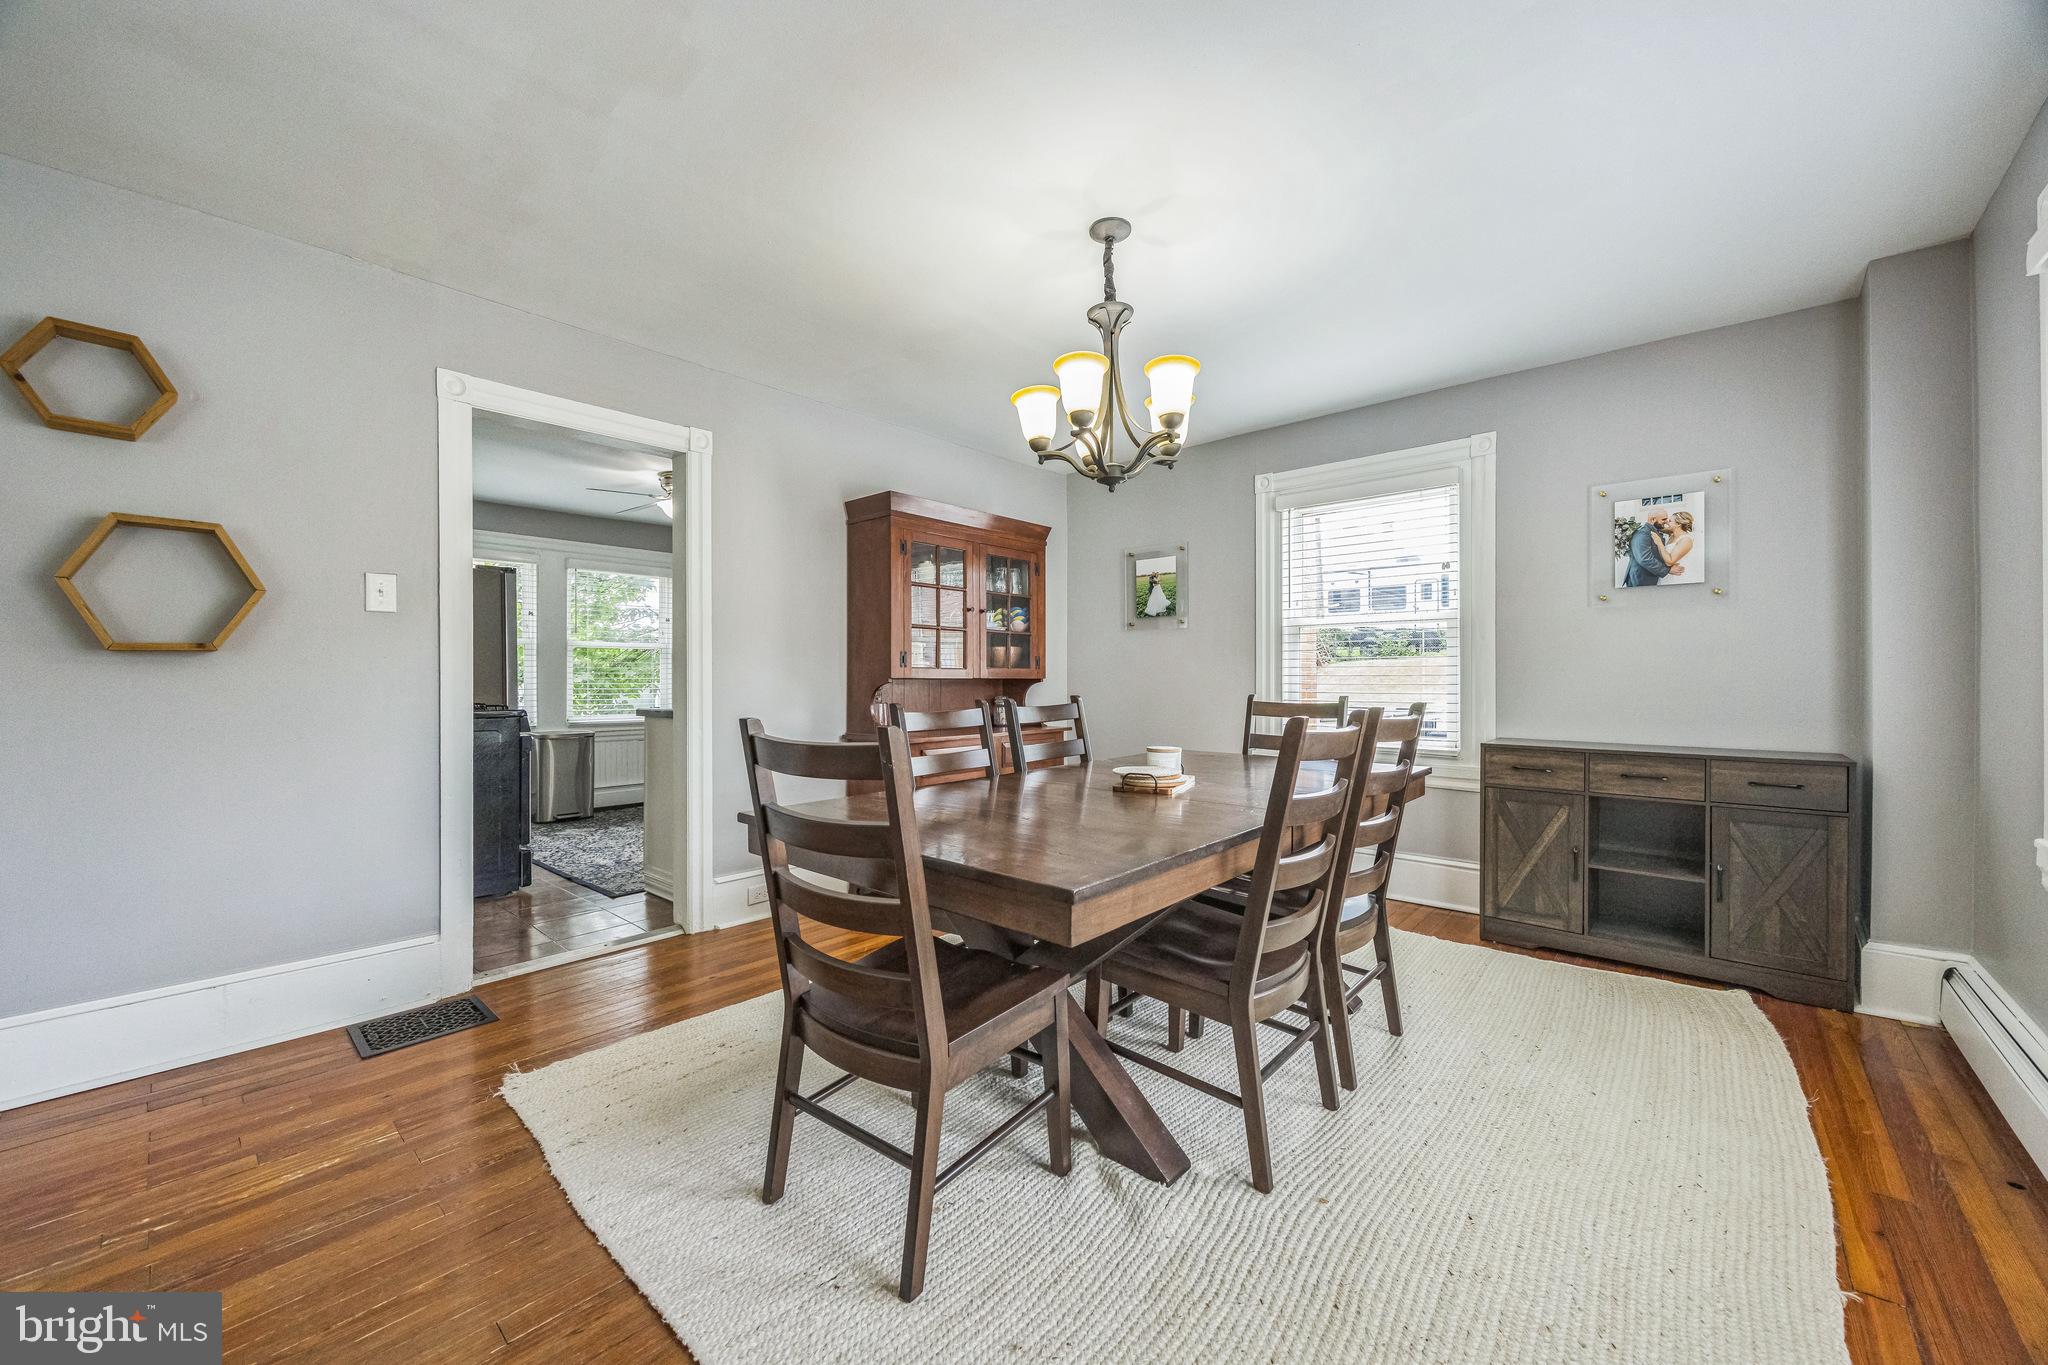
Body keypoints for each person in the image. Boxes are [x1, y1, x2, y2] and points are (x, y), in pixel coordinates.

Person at [1623, 509, 1688, 587]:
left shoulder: (1655, 531)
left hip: (1651, 576)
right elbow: (1645, 558)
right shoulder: (1643, 533)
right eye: (1664, 519)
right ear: (1653, 519)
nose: (1666, 522)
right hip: (1641, 578)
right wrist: (1667, 570)